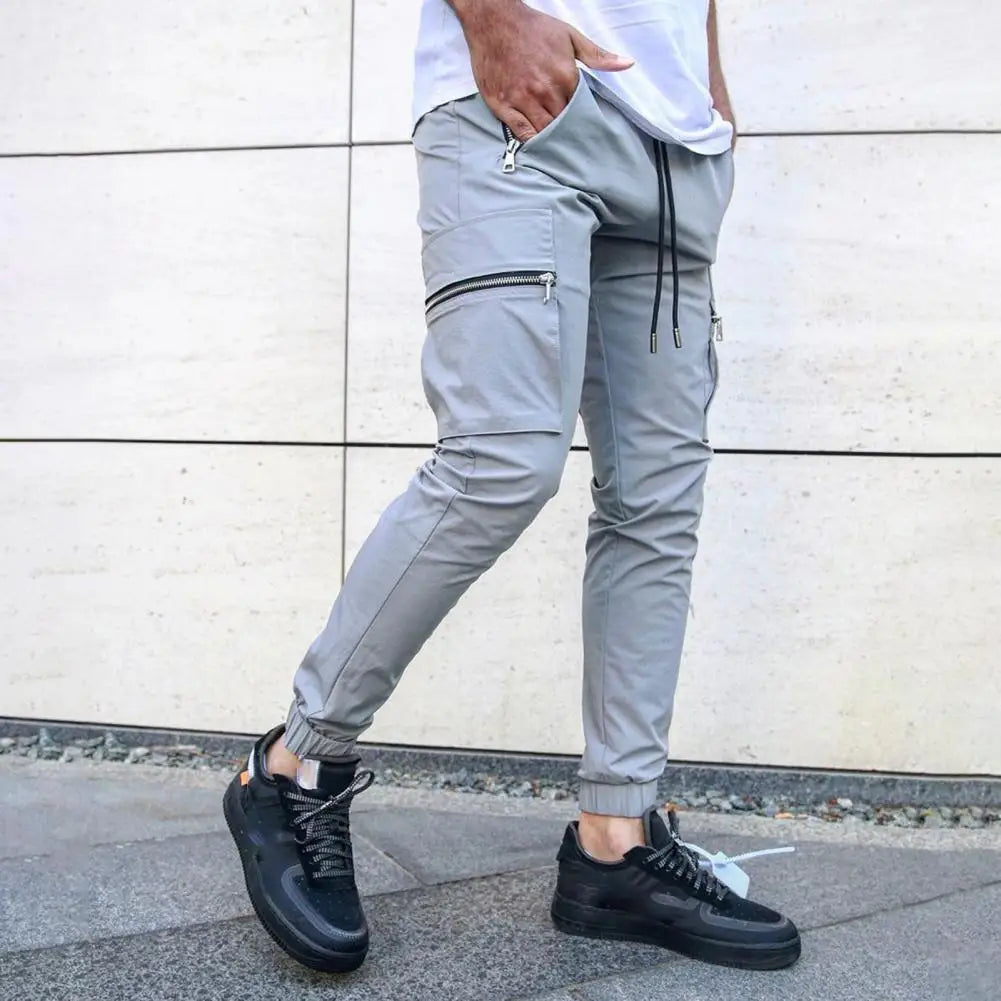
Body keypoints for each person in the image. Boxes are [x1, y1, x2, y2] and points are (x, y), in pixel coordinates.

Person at [224, 0, 801, 974]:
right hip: (525, 104)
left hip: (677, 148)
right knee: (500, 459)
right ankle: (294, 763)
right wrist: (492, 18)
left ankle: (615, 841)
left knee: (656, 502)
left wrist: (708, 91)